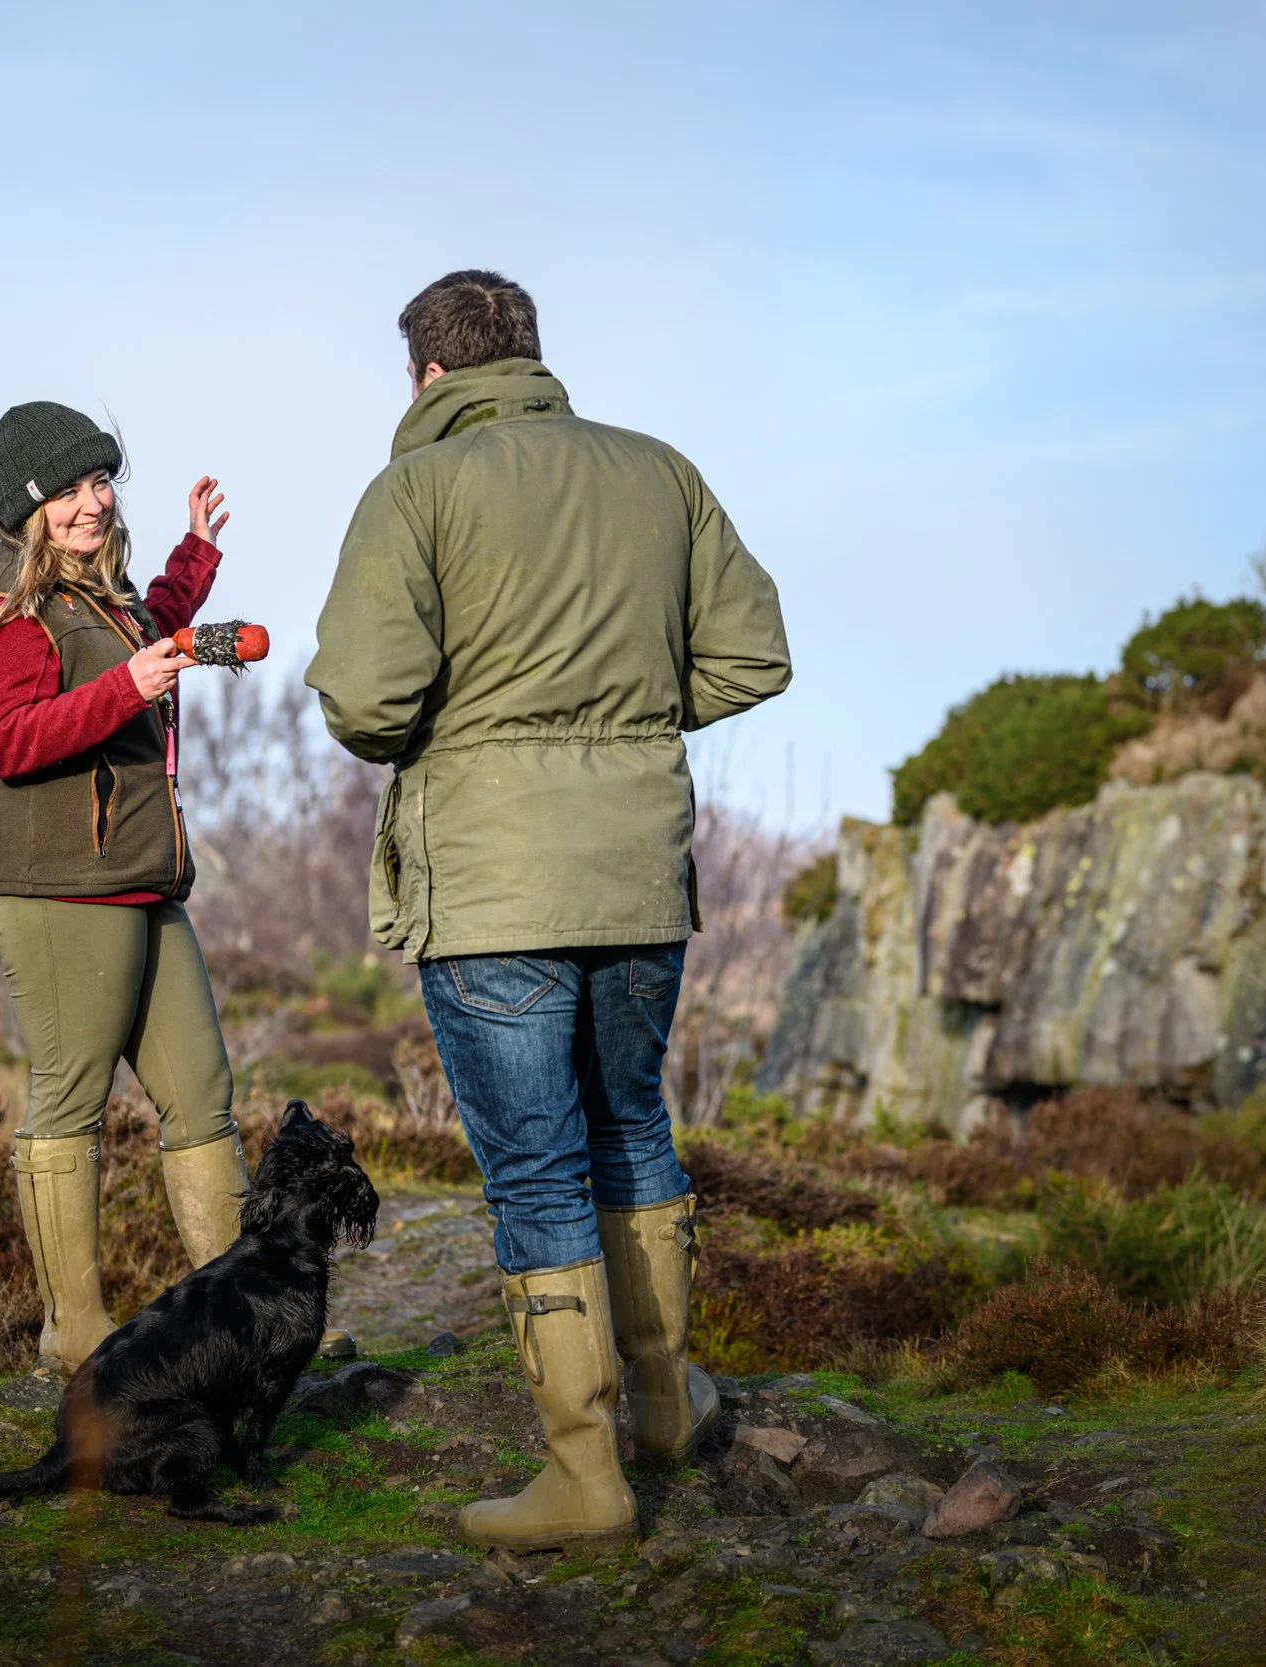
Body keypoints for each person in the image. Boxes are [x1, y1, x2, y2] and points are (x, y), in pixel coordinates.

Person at [307, 272, 792, 1549]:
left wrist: (479, 730)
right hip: (638, 866)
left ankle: (586, 1480)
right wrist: (623, 721)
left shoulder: (413, 490)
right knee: (633, 1124)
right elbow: (752, 653)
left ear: (425, 377)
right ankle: (663, 1415)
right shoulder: (658, 470)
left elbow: (365, 701)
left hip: (494, 882)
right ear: (529, 351)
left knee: (534, 1166)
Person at [0, 400, 248, 1371]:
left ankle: (234, 1327)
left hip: (138, 872)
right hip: (53, 883)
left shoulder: (98, 597)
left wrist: (193, 555)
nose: (95, 500)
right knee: (70, 1098)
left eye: (101, 480)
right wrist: (129, 689)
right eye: (73, 487)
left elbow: (150, 629)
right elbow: (9, 738)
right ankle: (73, 1335)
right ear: (29, 505)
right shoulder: (4, 609)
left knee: (201, 1093)